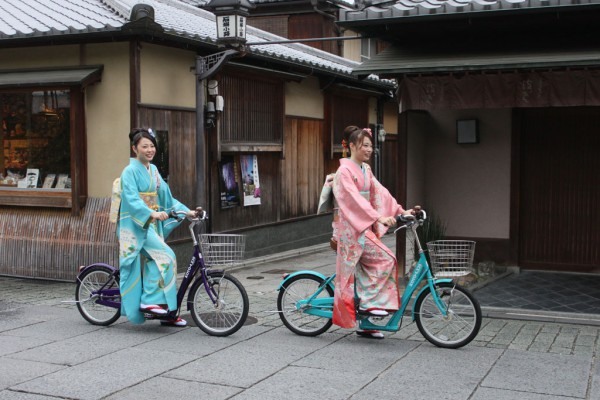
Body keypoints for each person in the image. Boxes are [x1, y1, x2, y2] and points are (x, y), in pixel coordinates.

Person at [332, 125, 413, 339]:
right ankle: (369, 305)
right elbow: (354, 200)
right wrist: (378, 217)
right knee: (386, 259)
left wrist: (400, 210)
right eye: (365, 145)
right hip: (352, 229)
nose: (369, 150)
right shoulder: (344, 172)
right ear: (351, 146)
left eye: (370, 146)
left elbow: (381, 193)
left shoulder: (365, 170)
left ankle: (366, 324)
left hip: (364, 226)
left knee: (367, 271)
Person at [117, 128, 200, 327]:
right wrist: (151, 213)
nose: (149, 150)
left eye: (152, 146)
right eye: (144, 146)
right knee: (167, 256)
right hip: (136, 227)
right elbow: (131, 199)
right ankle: (149, 300)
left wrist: (188, 212)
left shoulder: (153, 171)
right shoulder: (129, 172)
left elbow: (166, 197)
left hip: (150, 227)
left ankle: (168, 313)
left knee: (163, 260)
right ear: (134, 148)